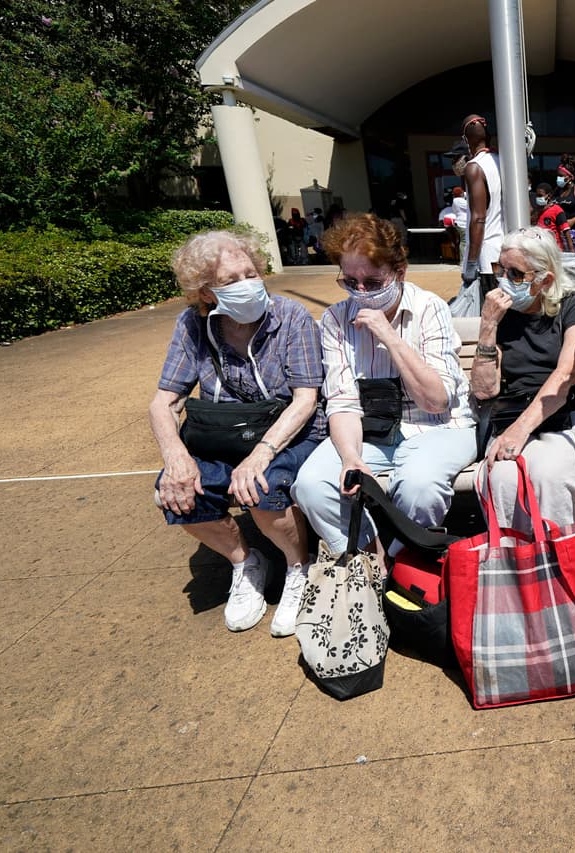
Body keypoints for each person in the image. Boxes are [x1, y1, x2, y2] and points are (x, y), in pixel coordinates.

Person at [149, 230, 326, 637]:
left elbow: (305, 399)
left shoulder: (290, 317)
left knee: (259, 489)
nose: (248, 284)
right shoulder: (192, 325)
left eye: (251, 273)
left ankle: (298, 565)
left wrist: (260, 455)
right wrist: (176, 458)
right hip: (221, 433)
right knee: (174, 494)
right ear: (206, 293)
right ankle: (245, 562)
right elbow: (164, 402)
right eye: (231, 281)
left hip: (284, 431)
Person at [292, 214, 477, 562]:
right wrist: (351, 458)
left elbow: (437, 401)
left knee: (420, 486)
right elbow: (343, 401)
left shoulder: (429, 308)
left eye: (373, 282)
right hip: (370, 431)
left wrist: (390, 336)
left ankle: (406, 561)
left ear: (400, 272)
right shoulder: (335, 319)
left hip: (437, 426)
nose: (360, 291)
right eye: (350, 281)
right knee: (312, 486)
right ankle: (371, 558)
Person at [471, 226, 575, 531]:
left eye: (516, 274)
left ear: (545, 279)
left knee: (549, 475)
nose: (504, 280)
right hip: (516, 409)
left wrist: (519, 432)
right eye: (499, 269)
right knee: (502, 475)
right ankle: (517, 559)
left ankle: (558, 561)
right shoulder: (502, 313)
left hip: (571, 412)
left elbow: (566, 374)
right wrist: (488, 325)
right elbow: (484, 390)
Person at [457, 115, 504, 311]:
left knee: (489, 316)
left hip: (485, 258)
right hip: (505, 251)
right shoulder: (502, 162)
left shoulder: (474, 167)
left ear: (467, 139)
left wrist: (471, 263)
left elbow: (478, 218)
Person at [532, 183, 575, 252]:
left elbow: (566, 231)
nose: (538, 198)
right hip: (539, 249)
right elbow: (531, 221)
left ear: (548, 196)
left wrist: (571, 250)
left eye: (540, 195)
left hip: (554, 249)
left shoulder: (557, 210)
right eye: (537, 195)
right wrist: (541, 211)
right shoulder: (536, 211)